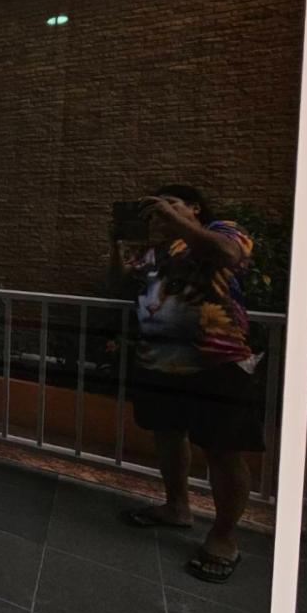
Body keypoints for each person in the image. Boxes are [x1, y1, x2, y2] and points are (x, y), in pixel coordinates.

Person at [111, 184, 263, 584]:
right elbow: (121, 282)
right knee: (167, 436)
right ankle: (176, 507)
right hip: (160, 362)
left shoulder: (223, 230)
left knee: (224, 451)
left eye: (171, 204)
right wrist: (117, 242)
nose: (160, 214)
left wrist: (175, 219)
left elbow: (229, 255)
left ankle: (224, 537)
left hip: (217, 362)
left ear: (194, 207)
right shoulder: (155, 252)